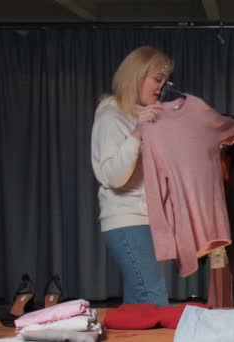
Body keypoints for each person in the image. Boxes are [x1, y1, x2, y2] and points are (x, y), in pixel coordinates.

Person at [91, 46, 175, 305]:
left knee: (140, 306)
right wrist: (138, 133)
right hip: (127, 222)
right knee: (153, 299)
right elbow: (112, 176)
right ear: (137, 76)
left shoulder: (142, 116)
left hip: (144, 220)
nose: (161, 87)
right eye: (157, 79)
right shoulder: (110, 115)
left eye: (164, 81)